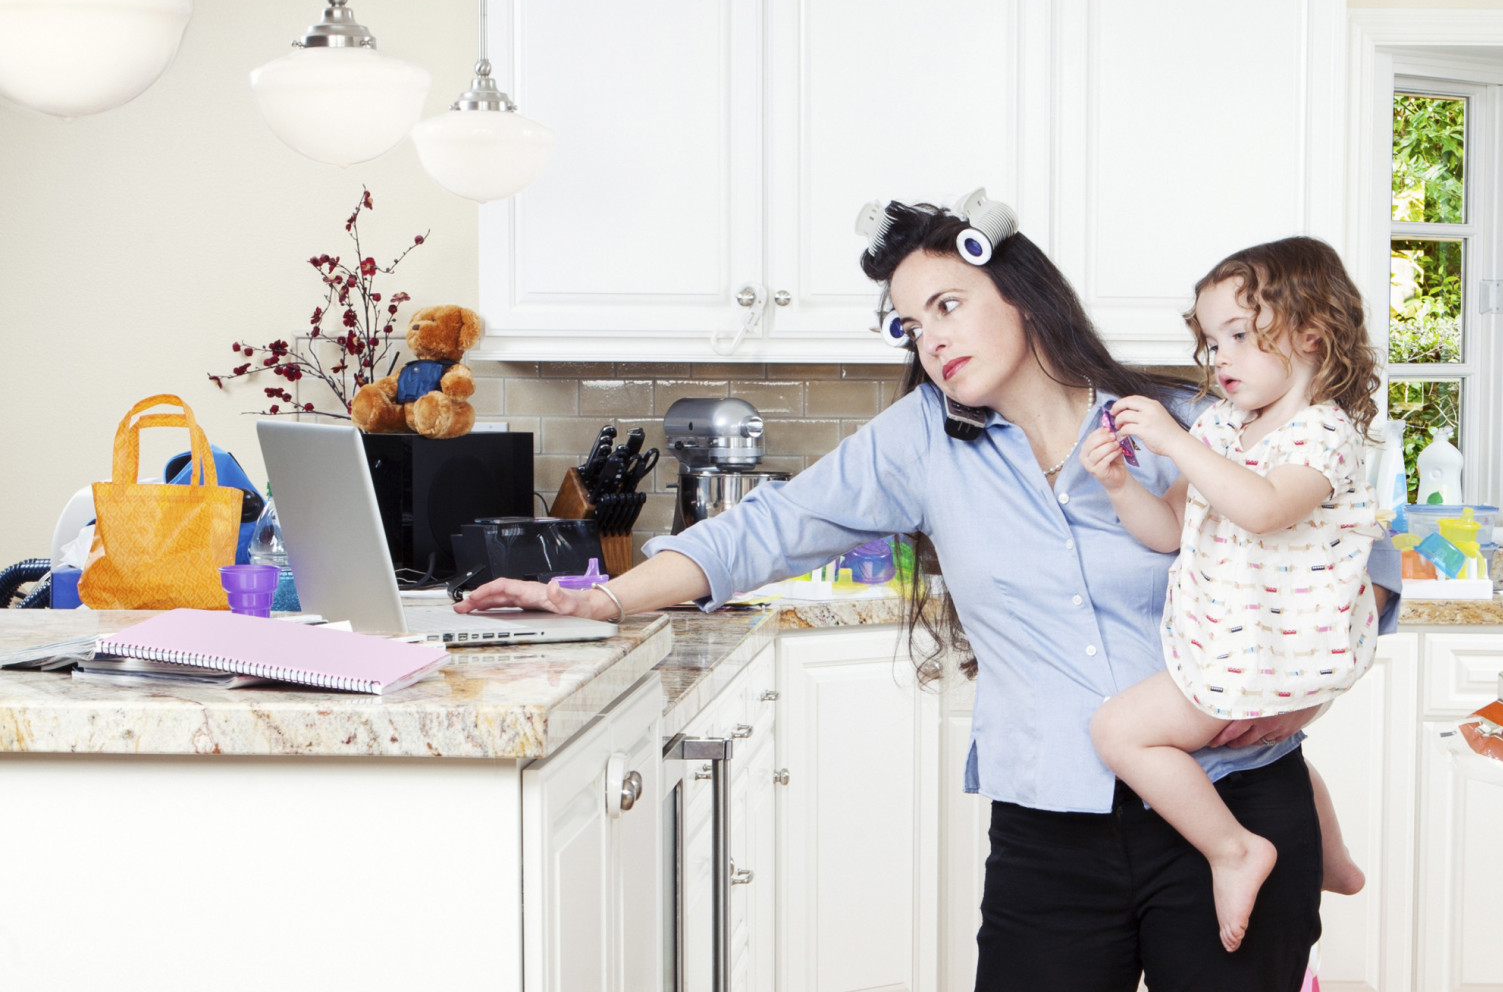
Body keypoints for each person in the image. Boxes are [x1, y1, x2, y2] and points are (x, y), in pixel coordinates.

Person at [454, 199, 1402, 991]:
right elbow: (762, 532)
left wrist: (1296, 696)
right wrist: (608, 598)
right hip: (1051, 837)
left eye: (949, 304)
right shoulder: (918, 442)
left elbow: (1367, 559)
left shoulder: (1198, 422)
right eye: (913, 324)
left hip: (1237, 810)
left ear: (1022, 294)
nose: (932, 338)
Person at [1080, 237, 1382, 954]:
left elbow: (1267, 507)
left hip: (1275, 647)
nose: (1220, 358)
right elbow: (1168, 532)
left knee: (1118, 732)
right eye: (1212, 341)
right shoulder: (1221, 425)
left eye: (1241, 336)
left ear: (1311, 332)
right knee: (1280, 753)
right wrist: (1122, 486)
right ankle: (1333, 862)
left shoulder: (1324, 434)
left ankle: (1232, 851)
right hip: (1250, 645)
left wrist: (1175, 442)